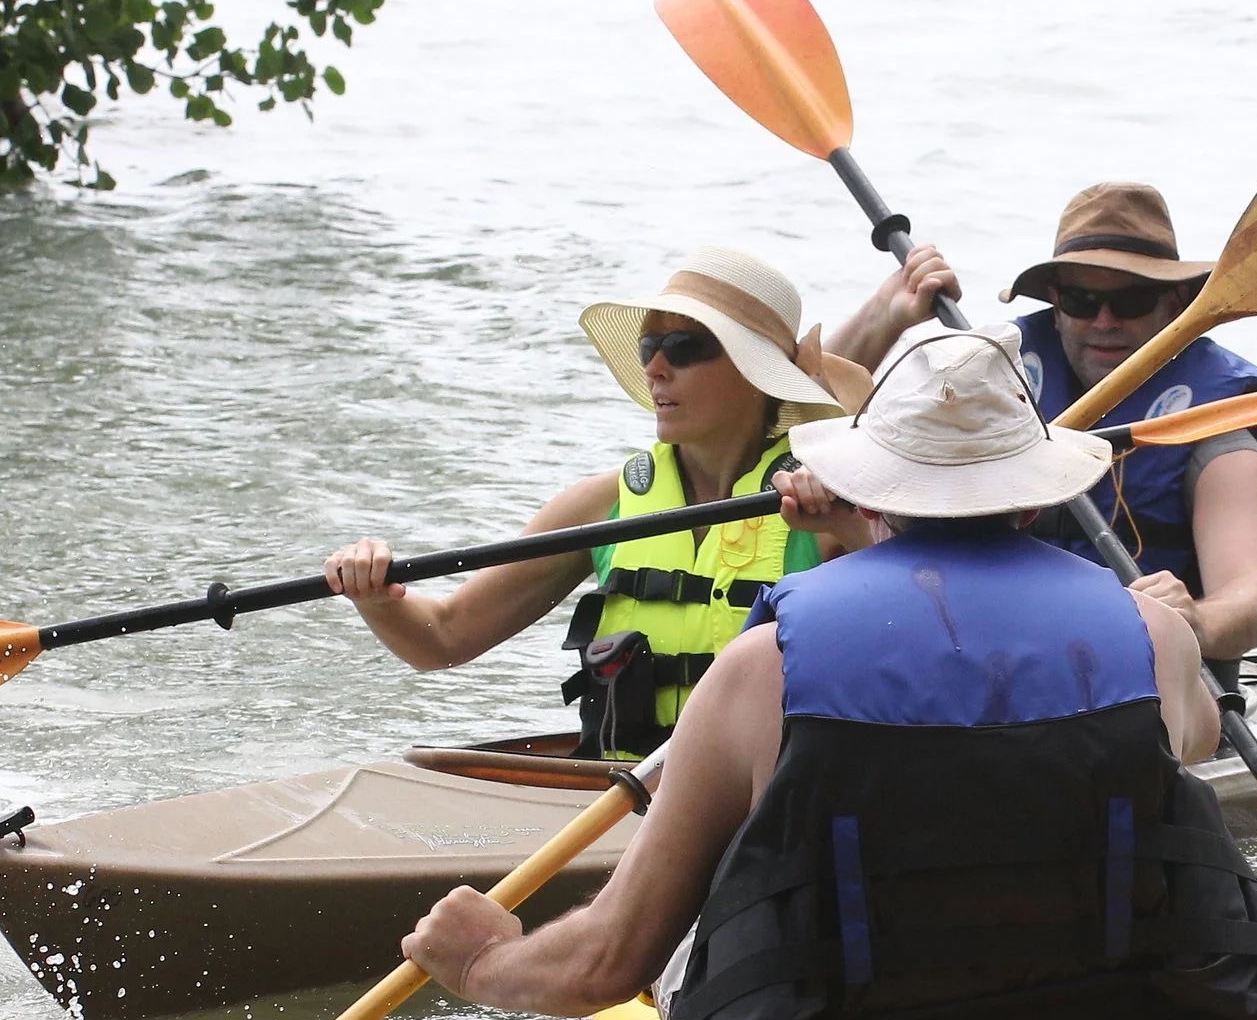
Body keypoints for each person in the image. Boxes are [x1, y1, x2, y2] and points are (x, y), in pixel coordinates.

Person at [403, 324, 1257, 1020]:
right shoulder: (1156, 639)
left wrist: (484, 961)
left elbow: (606, 963)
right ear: (1034, 495)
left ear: (870, 491)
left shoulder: (760, 672)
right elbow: (1166, 761)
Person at [326, 247, 871, 759]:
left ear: (757, 373)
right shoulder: (604, 503)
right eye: (648, 349)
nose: (655, 368)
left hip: (761, 800)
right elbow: (443, 638)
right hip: (619, 793)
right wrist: (378, 598)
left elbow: (925, 635)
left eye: (682, 348)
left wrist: (851, 530)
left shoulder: (826, 507)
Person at [829, 184, 1257, 661]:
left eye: (1132, 301)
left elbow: (1253, 596)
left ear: (1174, 303)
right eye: (1082, 300)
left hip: (1141, 675)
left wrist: (1198, 622)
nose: (1105, 321)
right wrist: (884, 318)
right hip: (988, 659)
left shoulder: (1216, 424)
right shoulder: (994, 376)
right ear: (1055, 302)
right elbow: (794, 412)